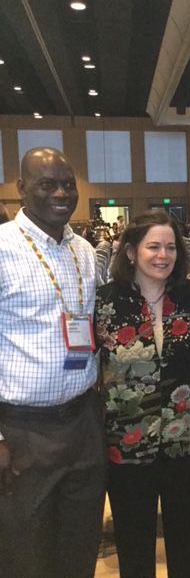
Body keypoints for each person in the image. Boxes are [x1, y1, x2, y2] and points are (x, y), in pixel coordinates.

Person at [0, 147, 107, 578]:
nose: (61, 193)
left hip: (83, 421)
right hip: (22, 430)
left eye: (68, 184)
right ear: (22, 189)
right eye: (47, 184)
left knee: (79, 546)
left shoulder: (82, 249)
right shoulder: (3, 248)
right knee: (24, 553)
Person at [95, 210, 190, 578]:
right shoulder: (105, 301)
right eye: (153, 246)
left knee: (186, 536)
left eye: (171, 247)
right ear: (131, 251)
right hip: (126, 442)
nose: (163, 255)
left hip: (185, 437)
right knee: (133, 540)